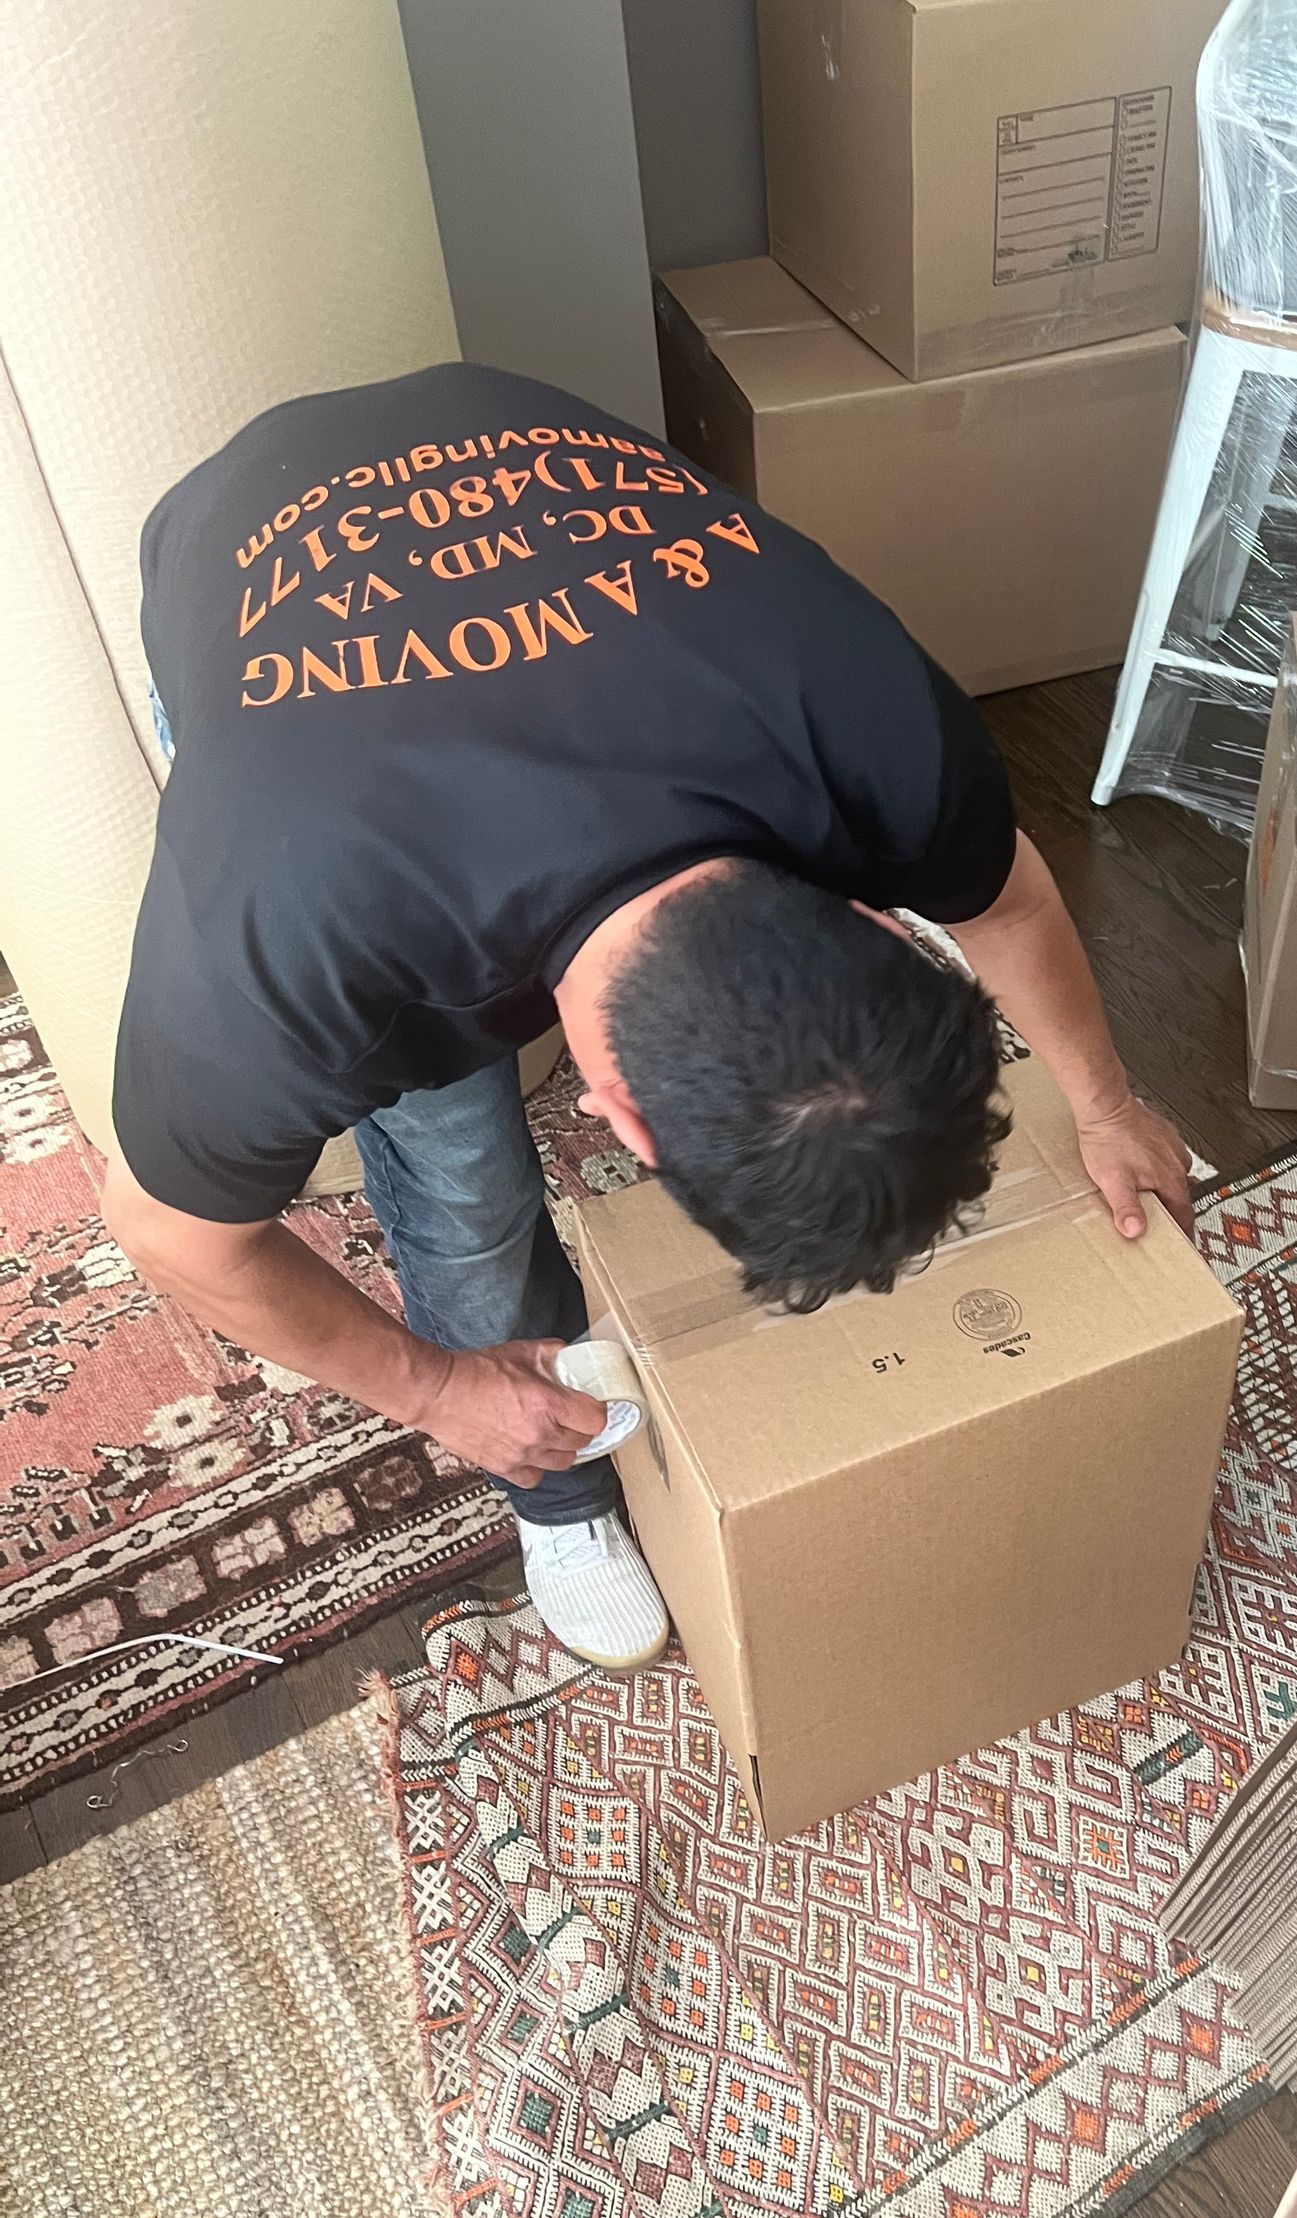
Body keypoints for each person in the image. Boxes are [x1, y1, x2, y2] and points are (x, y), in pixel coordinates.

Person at [103, 363, 1192, 1670]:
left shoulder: (877, 730)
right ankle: (553, 1500)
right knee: (462, 1178)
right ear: (613, 1114)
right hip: (246, 546)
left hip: (510, 439)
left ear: (871, 916)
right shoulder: (301, 917)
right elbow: (167, 1231)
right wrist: (442, 1393)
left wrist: (1109, 1101)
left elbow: (1006, 901)